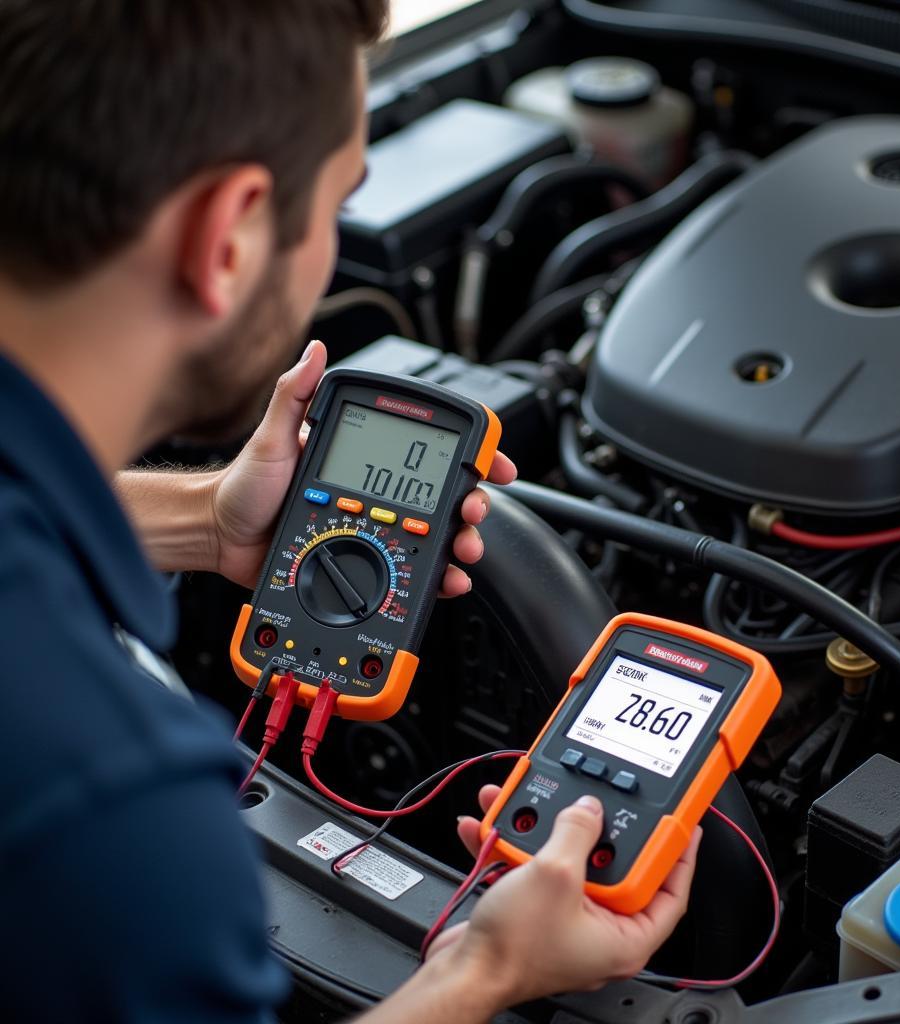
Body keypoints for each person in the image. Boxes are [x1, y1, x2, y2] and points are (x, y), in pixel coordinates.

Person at [0, 2, 701, 1021]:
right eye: (338, 205)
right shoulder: (117, 814)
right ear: (229, 235)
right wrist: (487, 970)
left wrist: (211, 519)